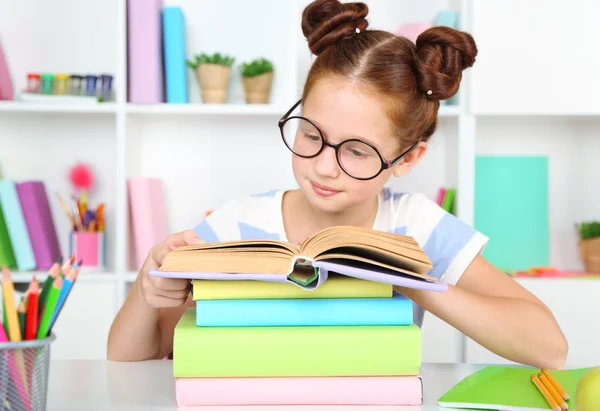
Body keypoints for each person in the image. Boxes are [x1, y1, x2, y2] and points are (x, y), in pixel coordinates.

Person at [108, 0, 568, 368]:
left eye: (357, 151)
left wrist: (413, 281)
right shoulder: (237, 223)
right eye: (311, 135)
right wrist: (148, 285)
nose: (325, 167)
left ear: (407, 159)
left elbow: (549, 347)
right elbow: (130, 359)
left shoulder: (417, 226)